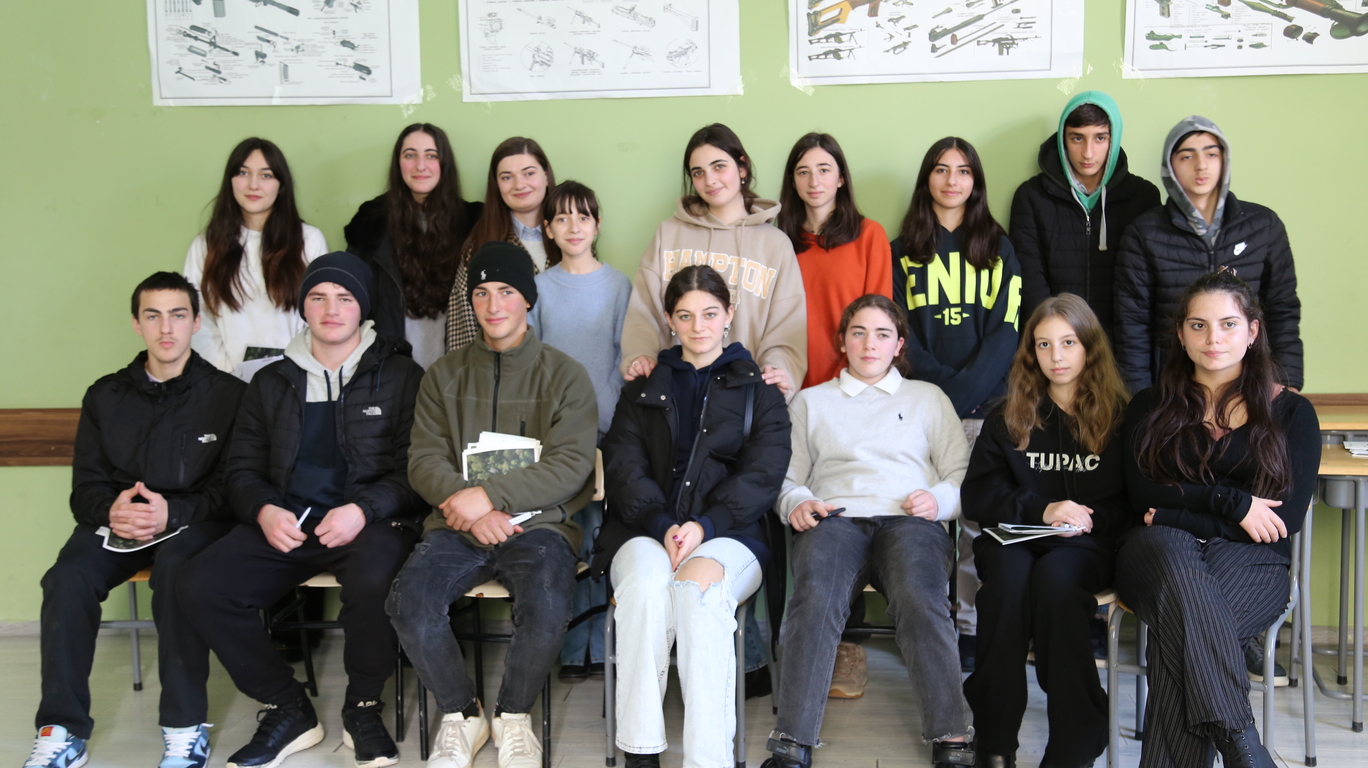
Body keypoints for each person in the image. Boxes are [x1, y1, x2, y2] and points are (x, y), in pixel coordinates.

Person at [177, 252, 427, 768]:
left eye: (344, 298)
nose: (331, 310)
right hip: (287, 523)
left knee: (377, 578)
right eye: (318, 297)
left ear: (363, 309)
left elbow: (417, 471)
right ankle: (287, 706)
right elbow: (240, 470)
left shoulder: (401, 375)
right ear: (303, 307)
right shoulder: (271, 381)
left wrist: (362, 510)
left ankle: (363, 707)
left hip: (369, 523)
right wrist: (265, 511)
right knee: (198, 585)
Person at [388, 242, 598, 768]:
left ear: (527, 299)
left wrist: (490, 496)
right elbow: (423, 460)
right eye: (481, 293)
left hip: (540, 528)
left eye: (506, 291)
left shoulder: (566, 375)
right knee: (408, 603)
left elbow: (572, 465)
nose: (493, 304)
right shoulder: (442, 375)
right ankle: (462, 715)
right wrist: (474, 511)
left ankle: (513, 716)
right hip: (456, 526)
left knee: (548, 605)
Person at [25, 273, 245, 768]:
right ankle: (60, 730)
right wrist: (111, 511)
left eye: (178, 315)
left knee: (177, 575)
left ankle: (185, 727)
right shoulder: (104, 395)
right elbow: (85, 488)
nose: (166, 328)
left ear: (196, 322)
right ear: (136, 324)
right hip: (120, 522)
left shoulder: (229, 395)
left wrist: (176, 512)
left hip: (195, 522)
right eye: (153, 316)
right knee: (65, 579)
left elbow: (235, 489)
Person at [1114, 269, 1318, 768]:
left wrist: (1175, 511)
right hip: (1155, 553)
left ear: (1252, 332)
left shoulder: (1293, 413)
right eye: (1198, 326)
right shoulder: (1149, 405)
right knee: (1173, 560)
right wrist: (1236, 505)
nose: (1213, 339)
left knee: (1182, 631)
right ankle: (1242, 744)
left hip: (1252, 562)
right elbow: (1142, 492)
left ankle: (1245, 753)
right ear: (1181, 335)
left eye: (1228, 324)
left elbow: (1284, 519)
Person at [763, 294, 973, 768]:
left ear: (899, 344)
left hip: (911, 521)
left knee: (921, 596)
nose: (869, 344)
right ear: (843, 341)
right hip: (836, 520)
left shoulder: (928, 398)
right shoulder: (810, 402)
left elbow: (962, 476)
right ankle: (791, 741)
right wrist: (798, 503)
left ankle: (952, 735)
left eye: (882, 334)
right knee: (815, 597)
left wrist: (938, 500)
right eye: (858, 333)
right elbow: (785, 480)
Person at [594, 265, 791, 768]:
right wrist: (663, 526)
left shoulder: (761, 391)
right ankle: (640, 752)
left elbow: (763, 475)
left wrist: (704, 526)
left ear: (729, 315)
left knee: (697, 595)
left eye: (709, 313)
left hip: (731, 534)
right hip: (645, 528)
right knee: (644, 588)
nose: (698, 326)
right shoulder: (642, 389)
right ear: (669, 320)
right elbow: (623, 467)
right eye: (684, 316)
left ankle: (708, 760)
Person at [961, 293, 1132, 768]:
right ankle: (995, 740)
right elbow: (978, 498)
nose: (1056, 356)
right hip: (1015, 538)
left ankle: (1076, 738)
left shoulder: (1122, 417)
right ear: (1031, 352)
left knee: (1056, 582)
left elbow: (1135, 502)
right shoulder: (1007, 415)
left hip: (1086, 545)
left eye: (1068, 342)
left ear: (1089, 346)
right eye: (1043, 344)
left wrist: (1087, 519)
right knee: (1008, 585)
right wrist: (1044, 509)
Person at [891, 136, 1023, 670]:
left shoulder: (999, 248)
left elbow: (1007, 332)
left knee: (974, 521)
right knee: (921, 520)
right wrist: (943, 395)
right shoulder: (901, 251)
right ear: (927, 178)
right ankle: (926, 626)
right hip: (920, 406)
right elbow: (900, 336)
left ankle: (970, 627)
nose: (952, 180)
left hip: (985, 409)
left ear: (976, 181)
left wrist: (964, 395)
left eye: (963, 170)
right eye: (941, 169)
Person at [525, 180, 631, 682]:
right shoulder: (540, 288)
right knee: (568, 535)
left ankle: (604, 645)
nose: (573, 227)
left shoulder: (619, 285)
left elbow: (623, 359)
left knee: (604, 536)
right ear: (548, 229)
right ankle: (572, 651)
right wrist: (563, 425)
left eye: (582, 217)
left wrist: (597, 420)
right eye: (561, 218)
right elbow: (534, 362)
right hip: (556, 435)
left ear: (597, 224)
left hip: (607, 428)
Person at [1114, 116, 1303, 394]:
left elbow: (1282, 308)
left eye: (1211, 154)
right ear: (1169, 166)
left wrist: (1287, 382)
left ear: (1224, 160)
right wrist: (1139, 396)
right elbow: (1132, 323)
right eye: (1187, 156)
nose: (1201, 165)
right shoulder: (1144, 233)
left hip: (1252, 382)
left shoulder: (1264, 225)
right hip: (1172, 384)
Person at [620, 123, 807, 402]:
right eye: (698, 172)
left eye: (719, 166)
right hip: (674, 397)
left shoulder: (775, 245)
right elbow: (644, 312)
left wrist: (779, 370)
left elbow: (787, 326)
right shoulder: (668, 234)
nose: (710, 180)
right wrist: (641, 355)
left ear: (742, 167)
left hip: (746, 400)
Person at [1009, 91, 1161, 336]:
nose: (1088, 153)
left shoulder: (1144, 197)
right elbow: (1029, 278)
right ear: (1063, 139)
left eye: (1100, 138)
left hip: (1122, 340)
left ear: (1114, 139)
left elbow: (1144, 284)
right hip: (1056, 339)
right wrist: (1058, 337)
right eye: (1077, 138)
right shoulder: (1031, 197)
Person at [183, 137, 328, 379]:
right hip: (226, 382)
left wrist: (294, 371)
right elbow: (197, 320)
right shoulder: (205, 246)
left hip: (296, 379)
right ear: (230, 180)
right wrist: (227, 374)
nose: (253, 185)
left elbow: (321, 314)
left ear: (281, 184)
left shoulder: (308, 240)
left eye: (266, 175)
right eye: (243, 173)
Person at [344, 123, 484, 368]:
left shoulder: (474, 226)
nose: (421, 166)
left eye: (432, 155)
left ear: (445, 164)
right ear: (398, 164)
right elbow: (352, 305)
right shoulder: (370, 226)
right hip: (389, 371)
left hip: (459, 370)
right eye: (410, 155)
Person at [776, 131, 892, 390]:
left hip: (852, 382)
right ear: (793, 181)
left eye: (824, 170)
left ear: (841, 178)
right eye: (803, 172)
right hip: (790, 382)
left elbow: (878, 321)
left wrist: (853, 378)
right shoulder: (779, 242)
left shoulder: (869, 235)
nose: (814, 181)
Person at [444, 137, 556, 351]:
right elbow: (463, 329)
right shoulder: (479, 246)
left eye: (529, 173)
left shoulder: (574, 237)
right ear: (496, 185)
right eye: (507, 177)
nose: (519, 184)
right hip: (500, 367)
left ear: (546, 176)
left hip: (566, 367)